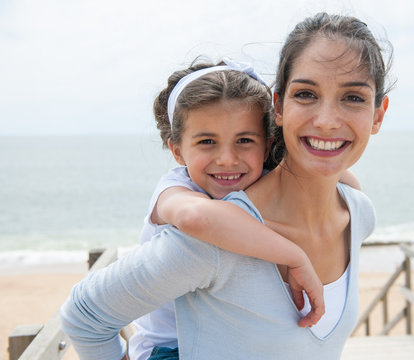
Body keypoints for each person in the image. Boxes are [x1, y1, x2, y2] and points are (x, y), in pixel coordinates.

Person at [60, 12, 391, 360]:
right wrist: (293, 255)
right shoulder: (215, 239)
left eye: (353, 97)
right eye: (306, 94)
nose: (326, 121)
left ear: (378, 115)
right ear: (279, 107)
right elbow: (85, 316)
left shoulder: (358, 214)